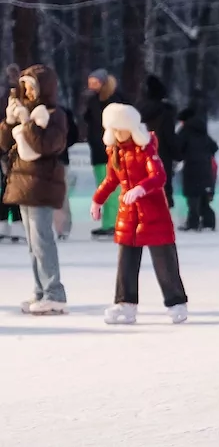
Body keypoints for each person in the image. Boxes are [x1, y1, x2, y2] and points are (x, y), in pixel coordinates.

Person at [91, 103, 189, 325]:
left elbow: (159, 176)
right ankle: (125, 303)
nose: (118, 134)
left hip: (153, 212)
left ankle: (176, 302)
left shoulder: (145, 149)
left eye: (121, 129)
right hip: (128, 213)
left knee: (164, 259)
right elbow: (111, 179)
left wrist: (141, 189)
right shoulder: (115, 151)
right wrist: (97, 200)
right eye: (114, 129)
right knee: (126, 260)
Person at [1, 65, 70, 314]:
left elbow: (47, 145)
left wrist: (27, 122)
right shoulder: (27, 111)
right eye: (25, 87)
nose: (28, 92)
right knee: (32, 243)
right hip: (23, 182)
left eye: (32, 87)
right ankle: (40, 290)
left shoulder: (54, 114)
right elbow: (5, 144)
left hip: (43, 182)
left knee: (42, 240)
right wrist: (9, 122)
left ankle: (54, 292)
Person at [83, 69, 129, 238]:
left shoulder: (112, 100)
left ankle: (114, 222)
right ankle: (110, 222)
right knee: (105, 187)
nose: (91, 86)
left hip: (110, 150)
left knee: (111, 187)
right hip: (99, 150)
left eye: (94, 83)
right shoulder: (95, 101)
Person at [175, 107, 219, 231]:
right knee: (204, 197)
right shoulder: (202, 130)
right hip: (205, 167)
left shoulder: (185, 131)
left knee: (193, 198)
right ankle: (209, 223)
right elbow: (214, 147)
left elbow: (177, 148)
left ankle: (193, 223)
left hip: (192, 168)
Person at [138, 75, 178, 209]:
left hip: (142, 155)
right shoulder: (166, 112)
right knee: (162, 191)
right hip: (162, 156)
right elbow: (170, 137)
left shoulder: (138, 112)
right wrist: (178, 154)